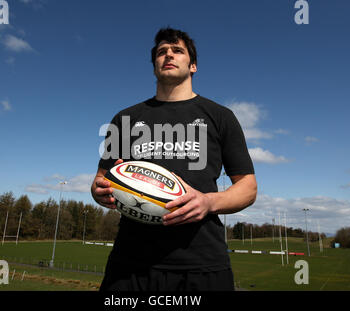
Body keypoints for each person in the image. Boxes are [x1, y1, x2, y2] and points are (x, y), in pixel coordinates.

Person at [91, 27, 257, 291]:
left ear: (193, 65)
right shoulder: (124, 119)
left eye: (177, 50)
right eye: (161, 52)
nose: (168, 55)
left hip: (202, 265)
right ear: (154, 65)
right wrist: (99, 191)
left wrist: (208, 201)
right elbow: (101, 179)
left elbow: (248, 188)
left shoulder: (221, 116)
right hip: (130, 265)